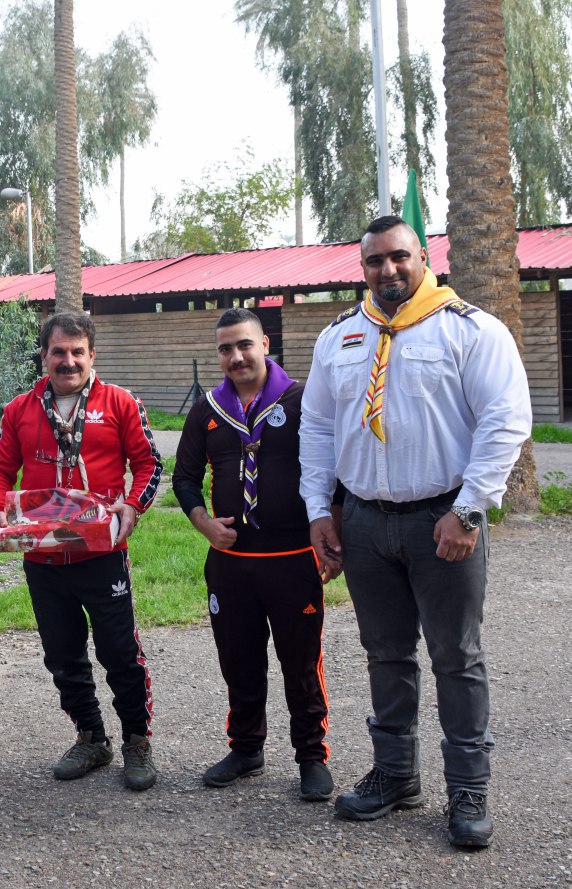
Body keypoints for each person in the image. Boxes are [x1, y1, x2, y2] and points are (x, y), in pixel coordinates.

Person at [298, 215, 531, 848]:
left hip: (443, 521)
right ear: (363, 269)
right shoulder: (339, 337)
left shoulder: (471, 330)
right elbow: (318, 428)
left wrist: (470, 510)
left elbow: (505, 420)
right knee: (385, 652)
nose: (388, 270)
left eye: (398, 256)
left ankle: (468, 788)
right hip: (365, 522)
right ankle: (397, 775)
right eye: (374, 261)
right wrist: (320, 510)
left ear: (423, 257)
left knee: (457, 656)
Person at [0, 313, 163, 791]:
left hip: (101, 552)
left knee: (120, 652)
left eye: (77, 351)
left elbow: (149, 463)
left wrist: (132, 506)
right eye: (58, 352)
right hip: (43, 556)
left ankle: (137, 741)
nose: (68, 361)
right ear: (44, 356)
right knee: (62, 654)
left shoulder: (121, 402)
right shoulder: (18, 410)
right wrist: (0, 511)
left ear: (92, 355)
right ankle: (91, 738)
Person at [172, 308, 333, 801]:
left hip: (292, 557)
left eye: (244, 344)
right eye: (225, 349)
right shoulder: (207, 409)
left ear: (265, 344)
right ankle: (246, 750)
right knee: (238, 662)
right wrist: (203, 523)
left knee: (300, 664)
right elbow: (184, 477)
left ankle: (312, 757)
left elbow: (332, 467)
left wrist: (332, 534)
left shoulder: (302, 399)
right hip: (231, 563)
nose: (236, 356)